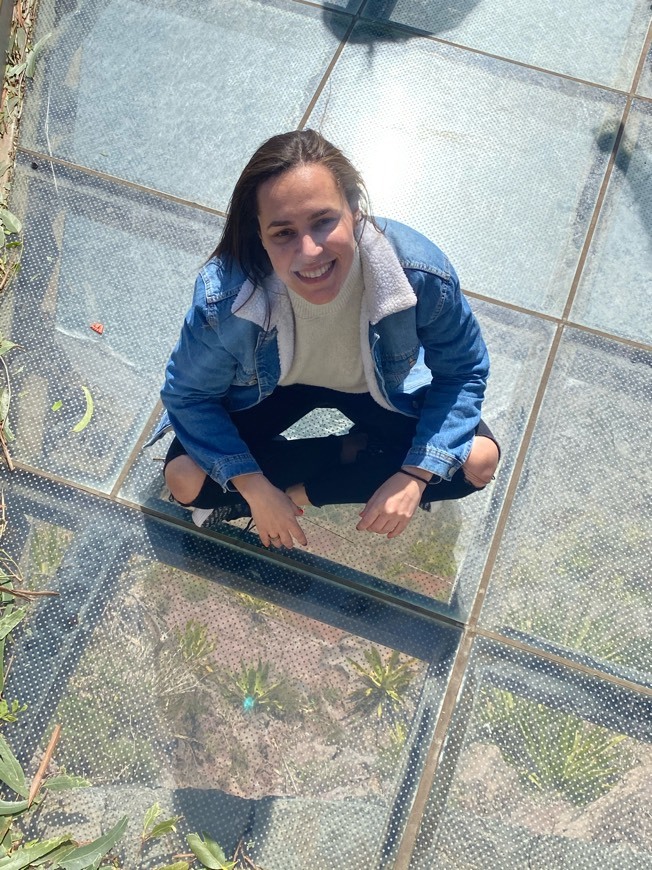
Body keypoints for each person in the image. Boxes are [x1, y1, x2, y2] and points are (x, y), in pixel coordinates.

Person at [157, 129, 499, 550]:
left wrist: (415, 475)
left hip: (374, 387)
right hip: (271, 389)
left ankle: (297, 492)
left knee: (478, 461)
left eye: (323, 221)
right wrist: (254, 487)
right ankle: (347, 455)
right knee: (184, 479)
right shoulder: (227, 298)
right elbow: (187, 396)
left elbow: (463, 371)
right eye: (283, 232)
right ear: (259, 234)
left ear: (354, 208)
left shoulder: (420, 275)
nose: (310, 251)